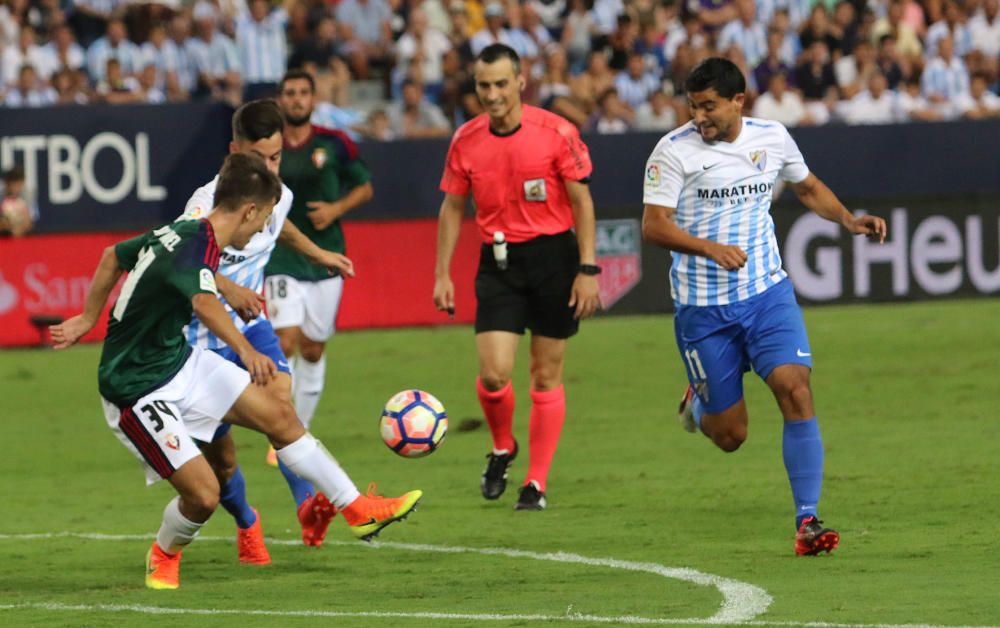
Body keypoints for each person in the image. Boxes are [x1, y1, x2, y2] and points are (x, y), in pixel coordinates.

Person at [50, 152, 421, 590]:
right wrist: (246, 350)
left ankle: (357, 508)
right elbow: (203, 302)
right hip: (135, 389)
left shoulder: (189, 233)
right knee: (203, 496)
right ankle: (163, 553)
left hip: (177, 362)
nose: (265, 228)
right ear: (248, 211)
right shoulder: (193, 245)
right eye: (264, 218)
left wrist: (88, 318)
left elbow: (114, 254)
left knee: (280, 416)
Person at [640, 58, 887, 555]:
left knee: (795, 388)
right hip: (703, 310)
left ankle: (808, 520)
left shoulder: (771, 138)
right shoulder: (671, 152)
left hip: (767, 295)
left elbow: (808, 187)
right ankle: (699, 402)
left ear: (738, 101)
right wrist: (710, 249)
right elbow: (653, 226)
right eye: (693, 105)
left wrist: (848, 220)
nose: (699, 116)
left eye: (708, 106)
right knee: (731, 436)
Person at [178, 99, 359, 561]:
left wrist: (318, 254)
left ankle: (306, 508)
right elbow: (180, 264)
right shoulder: (203, 204)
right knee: (223, 463)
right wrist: (226, 286)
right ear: (234, 152)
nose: (270, 170)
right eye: (259, 160)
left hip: (253, 326)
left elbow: (281, 225)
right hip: (205, 339)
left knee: (282, 406)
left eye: (276, 159)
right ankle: (246, 521)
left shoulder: (276, 194)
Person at [433, 44, 601, 511]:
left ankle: (536, 483)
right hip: (499, 261)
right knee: (493, 374)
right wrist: (442, 273)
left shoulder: (556, 132)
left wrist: (588, 268)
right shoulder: (465, 140)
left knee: (545, 375)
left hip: (554, 259)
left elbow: (582, 202)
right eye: (484, 85)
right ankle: (503, 445)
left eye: (501, 84)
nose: (492, 94)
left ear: (521, 82)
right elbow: (452, 206)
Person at [266, 69, 374, 455]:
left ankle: (302, 427)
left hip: (327, 256)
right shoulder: (269, 147)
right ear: (281, 100)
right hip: (280, 256)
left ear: (313, 101)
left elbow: (365, 186)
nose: (296, 100)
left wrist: (335, 208)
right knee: (285, 340)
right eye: (289, 93)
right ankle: (284, 429)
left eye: (302, 93)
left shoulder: (335, 143)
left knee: (312, 348)